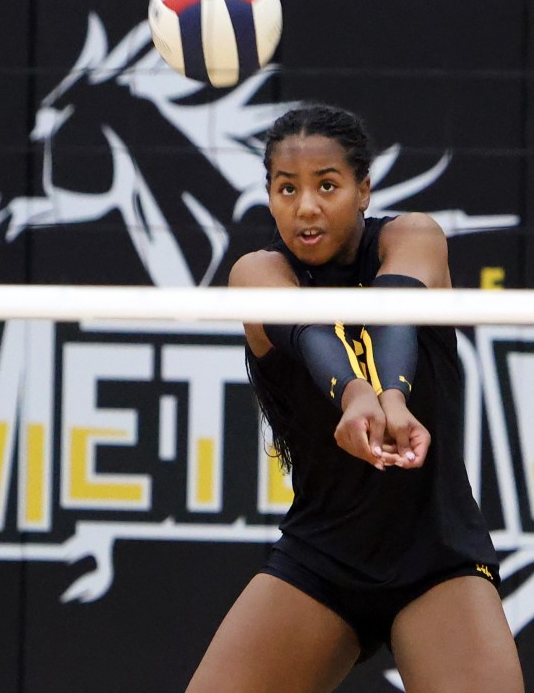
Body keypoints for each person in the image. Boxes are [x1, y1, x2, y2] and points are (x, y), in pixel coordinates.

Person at [185, 104, 525, 693]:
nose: (306, 207)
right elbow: (309, 328)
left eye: (327, 186)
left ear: (363, 190)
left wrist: (393, 396)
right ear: (268, 195)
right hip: (323, 559)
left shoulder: (412, 237)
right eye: (286, 189)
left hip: (435, 557)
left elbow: (394, 310)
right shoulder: (257, 272)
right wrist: (357, 394)